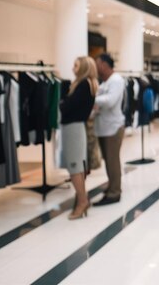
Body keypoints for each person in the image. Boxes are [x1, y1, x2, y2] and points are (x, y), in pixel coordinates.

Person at [60, 56, 98, 220]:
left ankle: (82, 202)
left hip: (74, 129)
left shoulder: (83, 85)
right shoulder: (87, 84)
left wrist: (61, 101)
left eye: (75, 65)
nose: (72, 68)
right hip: (75, 128)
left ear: (83, 67)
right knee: (77, 167)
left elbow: (67, 107)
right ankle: (83, 200)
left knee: (74, 167)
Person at [93, 53, 126, 206]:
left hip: (113, 128)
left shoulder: (116, 80)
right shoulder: (105, 82)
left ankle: (114, 192)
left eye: (97, 63)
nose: (96, 66)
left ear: (105, 65)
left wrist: (91, 99)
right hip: (104, 128)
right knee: (108, 161)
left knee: (112, 161)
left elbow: (111, 101)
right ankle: (112, 186)